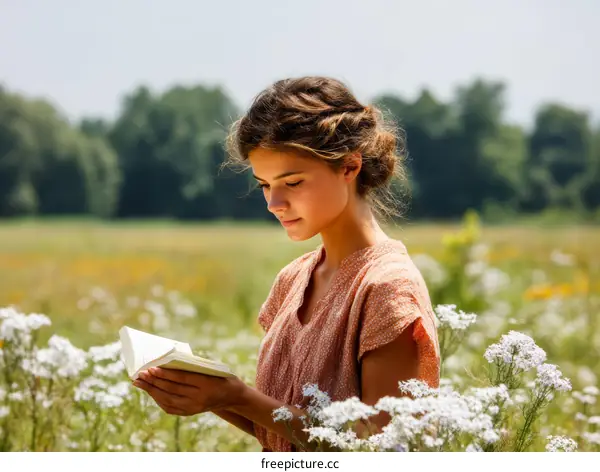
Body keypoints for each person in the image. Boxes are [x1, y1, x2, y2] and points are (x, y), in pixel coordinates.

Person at [132, 76, 440, 452]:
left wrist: (239, 396)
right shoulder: (292, 278)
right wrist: (216, 397)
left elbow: (380, 447)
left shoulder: (387, 287)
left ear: (349, 166)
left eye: (292, 183)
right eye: (264, 184)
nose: (273, 203)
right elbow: (284, 433)